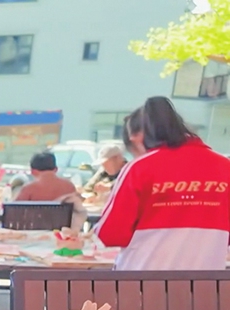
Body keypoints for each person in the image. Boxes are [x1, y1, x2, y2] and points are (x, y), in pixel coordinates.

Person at [95, 96, 230, 270]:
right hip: (206, 288)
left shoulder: (140, 168)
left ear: (137, 137)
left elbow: (110, 234)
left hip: (141, 282)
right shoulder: (225, 167)